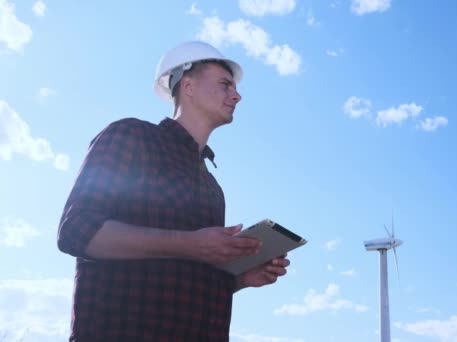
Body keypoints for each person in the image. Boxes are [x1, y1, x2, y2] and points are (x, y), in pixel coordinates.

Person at [57, 41, 290, 341]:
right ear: (188, 86)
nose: (237, 95)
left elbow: (179, 274)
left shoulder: (211, 187)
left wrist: (237, 278)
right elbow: (76, 230)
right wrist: (191, 244)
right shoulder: (131, 136)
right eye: (224, 84)